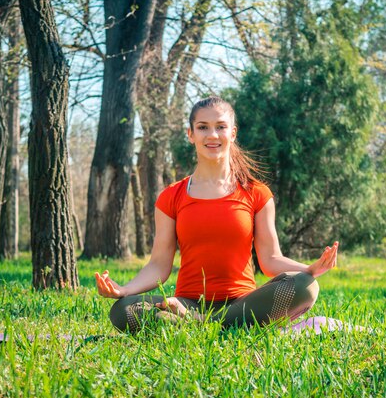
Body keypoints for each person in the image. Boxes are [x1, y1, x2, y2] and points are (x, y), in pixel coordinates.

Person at [95, 96, 338, 333]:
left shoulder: (256, 193)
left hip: (244, 304)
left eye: (220, 127)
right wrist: (124, 290)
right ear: (190, 135)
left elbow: (271, 258)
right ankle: (220, 326)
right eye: (203, 127)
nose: (212, 135)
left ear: (232, 133)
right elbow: (159, 264)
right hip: (187, 303)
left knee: (306, 286)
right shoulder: (171, 197)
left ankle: (198, 325)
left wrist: (310, 268)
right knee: (123, 310)